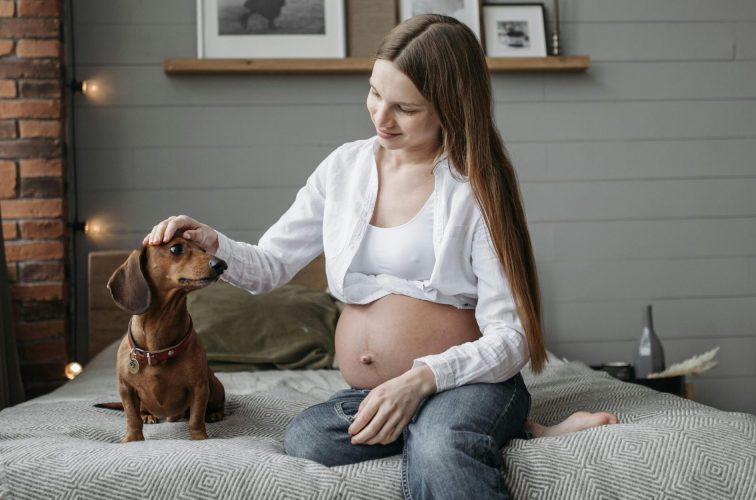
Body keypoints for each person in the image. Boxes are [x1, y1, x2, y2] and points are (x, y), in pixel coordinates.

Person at [144, 14, 618, 500]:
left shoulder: (475, 190)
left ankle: (476, 421)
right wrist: (212, 242)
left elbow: (512, 338)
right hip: (375, 390)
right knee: (308, 437)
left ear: (450, 107)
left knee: (440, 446)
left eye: (405, 108)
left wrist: (421, 381)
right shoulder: (344, 168)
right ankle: (516, 430)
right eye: (374, 93)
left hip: (469, 381)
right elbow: (270, 266)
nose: (381, 118)